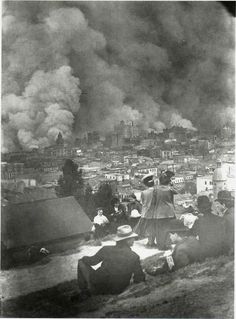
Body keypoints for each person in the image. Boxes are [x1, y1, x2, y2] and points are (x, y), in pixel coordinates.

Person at [146, 195, 227, 276]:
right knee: (184, 243)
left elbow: (191, 234)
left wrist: (178, 237)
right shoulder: (220, 220)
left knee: (181, 245)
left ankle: (166, 268)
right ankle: (167, 263)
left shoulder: (200, 221)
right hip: (219, 250)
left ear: (199, 208)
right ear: (210, 206)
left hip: (205, 251)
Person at [77, 225, 145, 298]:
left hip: (98, 286)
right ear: (127, 240)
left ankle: (84, 291)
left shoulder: (106, 249)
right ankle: (87, 291)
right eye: (132, 238)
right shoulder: (134, 256)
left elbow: (92, 261)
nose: (134, 240)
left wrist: (84, 258)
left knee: (81, 262)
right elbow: (139, 278)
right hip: (117, 289)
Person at [135, 171, 177, 249]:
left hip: (155, 213)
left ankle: (155, 243)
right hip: (169, 212)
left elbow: (148, 202)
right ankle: (166, 244)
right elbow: (172, 199)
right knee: (166, 228)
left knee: (154, 229)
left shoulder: (151, 191)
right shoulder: (169, 190)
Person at [217, 190, 234, 254]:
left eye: (218, 204)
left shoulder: (226, 218)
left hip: (230, 250)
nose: (217, 206)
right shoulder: (232, 211)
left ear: (223, 204)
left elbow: (225, 238)